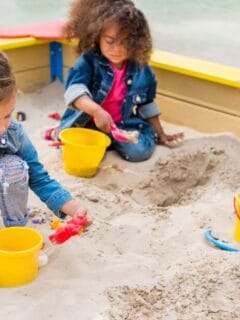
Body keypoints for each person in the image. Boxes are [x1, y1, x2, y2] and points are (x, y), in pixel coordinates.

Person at [50, 0, 183, 162]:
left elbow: (147, 104)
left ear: (136, 41)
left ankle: (112, 141)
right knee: (69, 147)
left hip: (120, 125)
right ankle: (57, 131)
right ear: (97, 36)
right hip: (87, 123)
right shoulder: (88, 62)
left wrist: (161, 134)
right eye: (110, 41)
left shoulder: (142, 69)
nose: (117, 49)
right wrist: (96, 111)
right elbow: (75, 92)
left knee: (139, 152)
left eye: (125, 42)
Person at [0, 51, 87, 227]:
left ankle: (15, 229)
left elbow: (38, 176)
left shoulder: (13, 133)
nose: (2, 128)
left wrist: (71, 205)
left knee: (14, 167)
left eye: (7, 115)